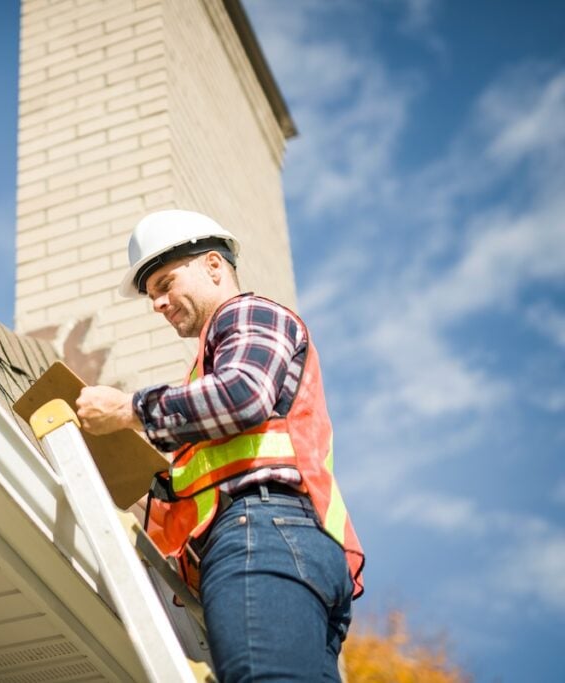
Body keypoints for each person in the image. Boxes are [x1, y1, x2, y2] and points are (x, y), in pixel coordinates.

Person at [75, 209, 364, 682]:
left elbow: (244, 395)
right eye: (152, 295)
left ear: (213, 266)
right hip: (288, 545)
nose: (158, 304)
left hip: (263, 534)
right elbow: (215, 467)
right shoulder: (204, 372)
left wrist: (129, 409)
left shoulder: (248, 313)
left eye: (165, 283)